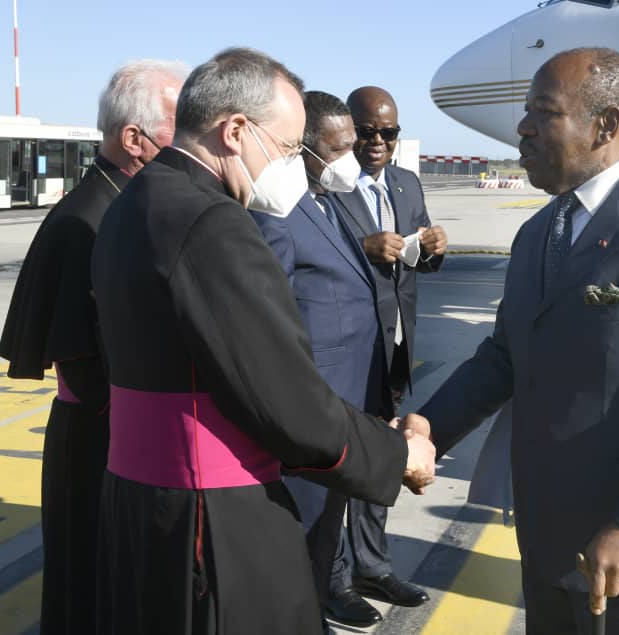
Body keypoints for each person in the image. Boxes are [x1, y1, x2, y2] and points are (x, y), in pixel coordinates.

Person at [90, 48, 435, 635]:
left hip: (139, 501)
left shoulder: (134, 202)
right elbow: (285, 400)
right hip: (215, 516)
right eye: (286, 147)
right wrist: (398, 455)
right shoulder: (213, 223)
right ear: (235, 131)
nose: (295, 167)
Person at [418, 47, 619, 635]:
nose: (522, 128)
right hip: (544, 529)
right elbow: (505, 356)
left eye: (543, 112)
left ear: (605, 125)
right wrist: (428, 427)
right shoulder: (538, 232)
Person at [0, 59, 187, 635]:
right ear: (134, 139)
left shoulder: (121, 207)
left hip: (118, 436)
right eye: (181, 125)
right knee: (88, 586)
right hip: (98, 441)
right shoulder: (86, 220)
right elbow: (80, 363)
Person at [250, 90, 390, 629]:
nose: (351, 158)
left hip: (349, 398)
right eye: (338, 149)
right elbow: (277, 325)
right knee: (304, 529)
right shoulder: (277, 216)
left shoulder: (328, 203)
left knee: (329, 521)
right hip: (316, 403)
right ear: (303, 151)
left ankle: (323, 601)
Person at [329, 86, 446, 612]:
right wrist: (362, 247)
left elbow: (415, 263)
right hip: (346, 350)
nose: (377, 141)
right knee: (336, 465)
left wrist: (433, 249)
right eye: (367, 131)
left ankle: (372, 566)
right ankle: (334, 581)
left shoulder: (405, 183)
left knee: (381, 460)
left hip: (393, 349)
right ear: (348, 130)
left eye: (388, 132)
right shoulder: (327, 187)